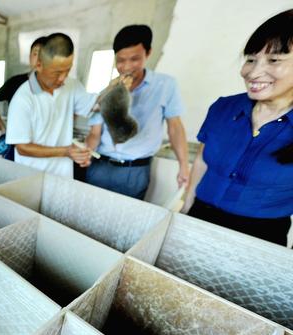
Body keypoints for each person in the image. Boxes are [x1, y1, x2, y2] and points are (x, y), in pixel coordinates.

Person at [182, 10, 293, 247]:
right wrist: (187, 204)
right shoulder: (223, 108)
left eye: (274, 60)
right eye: (251, 59)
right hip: (199, 218)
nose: (253, 72)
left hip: (260, 238)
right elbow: (202, 159)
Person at [85, 24, 189, 200]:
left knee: (125, 222)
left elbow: (175, 127)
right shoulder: (107, 90)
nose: (126, 66)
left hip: (135, 171)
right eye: (120, 60)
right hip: (100, 167)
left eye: (134, 59)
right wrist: (85, 152)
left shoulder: (165, 85)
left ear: (148, 53)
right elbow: (95, 133)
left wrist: (184, 166)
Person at [5, 33, 97, 177]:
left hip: (62, 176)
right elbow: (22, 147)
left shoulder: (71, 86)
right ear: (39, 65)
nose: (63, 78)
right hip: (31, 177)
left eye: (68, 70)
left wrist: (115, 88)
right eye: (57, 73)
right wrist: (66, 151)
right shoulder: (23, 98)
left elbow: (94, 106)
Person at [0, 36, 47, 160]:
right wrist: (2, 126)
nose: (39, 59)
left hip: (41, 147)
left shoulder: (54, 88)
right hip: (15, 144)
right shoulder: (15, 82)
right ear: (30, 57)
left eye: (44, 54)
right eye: (36, 53)